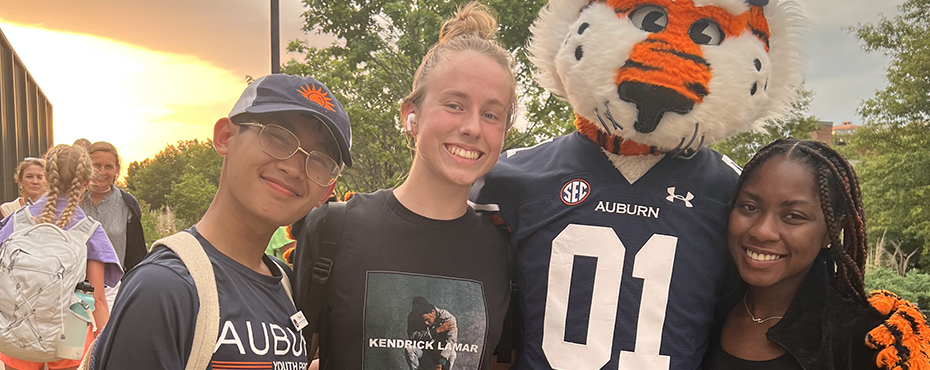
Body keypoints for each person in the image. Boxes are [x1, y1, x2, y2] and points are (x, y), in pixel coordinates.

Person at [293, 3, 515, 369]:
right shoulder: (334, 230)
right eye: (455, 104)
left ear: (503, 132)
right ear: (411, 115)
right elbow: (293, 358)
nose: (473, 127)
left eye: (491, 114)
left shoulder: (505, 252)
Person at [89, 73, 352, 370]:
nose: (294, 167)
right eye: (278, 136)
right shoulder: (164, 288)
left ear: (326, 191)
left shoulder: (289, 286)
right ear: (225, 136)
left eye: (318, 159)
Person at [703, 139, 927, 369]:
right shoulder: (700, 309)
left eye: (793, 216)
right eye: (750, 207)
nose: (762, 231)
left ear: (831, 233)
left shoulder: (872, 341)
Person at [0, 145, 122, 370]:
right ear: (86, 182)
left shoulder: (16, 222)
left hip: (17, 326)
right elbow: (97, 300)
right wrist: (105, 346)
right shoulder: (90, 230)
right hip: (71, 330)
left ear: (47, 176)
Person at [80, 141, 146, 309]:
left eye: (108, 166)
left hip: (112, 293)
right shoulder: (74, 201)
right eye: (96, 165)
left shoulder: (127, 204)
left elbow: (136, 256)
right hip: (74, 289)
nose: (102, 172)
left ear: (117, 169)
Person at [405, 297, 459, 370]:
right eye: (422, 320)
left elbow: (451, 342)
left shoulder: (449, 319)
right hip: (423, 350)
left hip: (439, 352)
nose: (425, 323)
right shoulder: (413, 317)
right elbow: (412, 336)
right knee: (410, 349)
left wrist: (441, 361)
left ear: (433, 312)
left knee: (452, 354)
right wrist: (436, 331)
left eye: (427, 319)